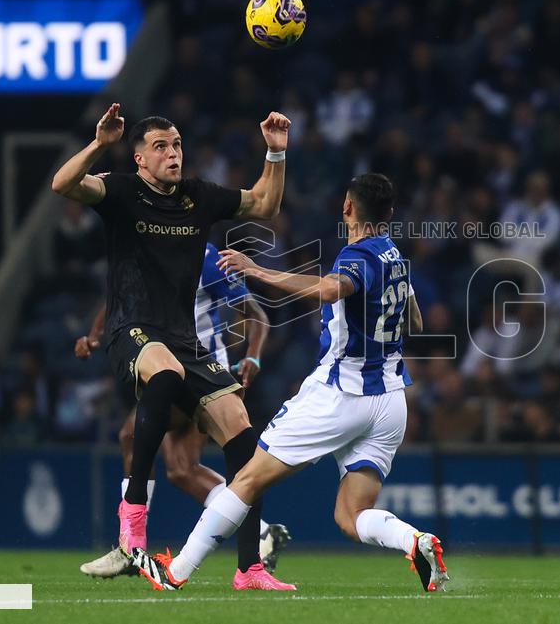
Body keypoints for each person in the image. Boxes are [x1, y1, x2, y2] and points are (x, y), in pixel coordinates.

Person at [133, 173, 449, 593]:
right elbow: (415, 322)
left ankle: (176, 572)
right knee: (351, 515)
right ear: (390, 214)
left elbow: (330, 289)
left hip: (341, 393)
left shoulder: (357, 258)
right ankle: (414, 540)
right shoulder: (395, 257)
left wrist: (256, 269)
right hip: (391, 401)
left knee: (246, 479)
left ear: (347, 208)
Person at [51, 103, 293, 590]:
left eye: (177, 144)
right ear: (139, 158)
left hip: (187, 339)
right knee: (164, 376)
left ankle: (250, 568)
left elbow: (265, 205)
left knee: (242, 434)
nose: (172, 154)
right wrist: (101, 143)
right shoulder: (121, 190)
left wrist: (274, 152)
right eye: (160, 147)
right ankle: (132, 530)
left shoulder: (198, 197)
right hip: (132, 331)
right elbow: (63, 184)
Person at [77, 242, 292, 579]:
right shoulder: (150, 244)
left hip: (203, 372)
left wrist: (253, 355)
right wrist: (94, 334)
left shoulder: (209, 261)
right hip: (168, 363)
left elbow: (257, 315)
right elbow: (122, 295)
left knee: (132, 436)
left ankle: (129, 548)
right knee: (181, 469)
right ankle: (262, 531)